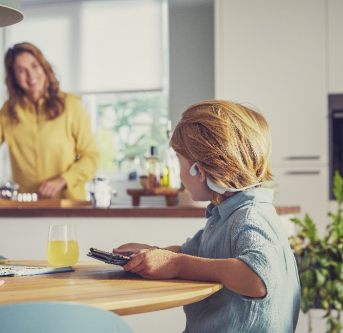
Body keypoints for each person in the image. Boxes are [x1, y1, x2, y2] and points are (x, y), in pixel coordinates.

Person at [113, 100, 300, 332]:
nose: (180, 174)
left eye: (179, 162)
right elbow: (194, 254)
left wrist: (177, 265)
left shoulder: (251, 216)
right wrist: (153, 253)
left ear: (198, 171)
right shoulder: (224, 215)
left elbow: (258, 279)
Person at [0, 42, 100, 200]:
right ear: (14, 77)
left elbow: (91, 157)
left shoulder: (71, 105)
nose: (31, 75)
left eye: (34, 66)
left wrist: (63, 180)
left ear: (44, 67)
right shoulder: (7, 112)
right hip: (27, 205)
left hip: (69, 203)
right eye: (21, 70)